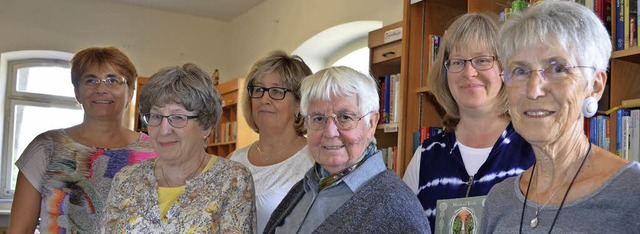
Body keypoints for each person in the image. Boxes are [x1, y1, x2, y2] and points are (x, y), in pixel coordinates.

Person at [481, 1, 640, 233]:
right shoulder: (499, 200)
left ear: (595, 86)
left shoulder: (632, 194)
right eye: (521, 71)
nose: (534, 90)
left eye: (558, 69)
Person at [402, 12, 535, 231]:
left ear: (505, 68)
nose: (469, 72)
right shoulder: (425, 156)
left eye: (482, 60)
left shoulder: (533, 149)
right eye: (458, 62)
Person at [264, 66, 431, 233]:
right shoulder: (306, 187)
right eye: (318, 118)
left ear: (371, 123)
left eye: (345, 118)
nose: (330, 132)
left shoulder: (396, 207)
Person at [8, 46, 157, 233]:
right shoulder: (45, 148)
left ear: (130, 92)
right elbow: (19, 230)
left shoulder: (155, 152)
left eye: (113, 80)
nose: (101, 88)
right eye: (90, 80)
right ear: (77, 92)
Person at [100, 63, 256, 233]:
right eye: (156, 116)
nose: (164, 130)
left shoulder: (233, 180)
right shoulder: (125, 179)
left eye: (178, 117)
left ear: (206, 125)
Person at [229, 50, 314, 233]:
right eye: (258, 90)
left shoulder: (315, 162)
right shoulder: (233, 160)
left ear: (300, 103)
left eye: (276, 91)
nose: (264, 99)